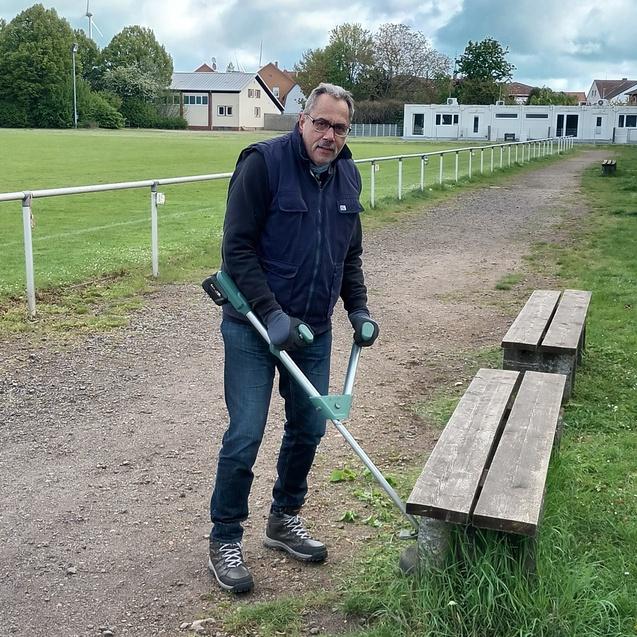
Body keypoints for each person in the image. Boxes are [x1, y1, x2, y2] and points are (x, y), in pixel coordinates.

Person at [208, 83, 379, 593]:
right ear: (302, 120)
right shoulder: (262, 164)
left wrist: (358, 308)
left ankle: (284, 517)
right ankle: (225, 537)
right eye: (321, 123)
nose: (329, 135)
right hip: (254, 327)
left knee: (309, 428)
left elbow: (349, 254)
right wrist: (270, 312)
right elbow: (236, 250)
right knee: (246, 433)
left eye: (340, 128)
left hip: (313, 329)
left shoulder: (347, 174)